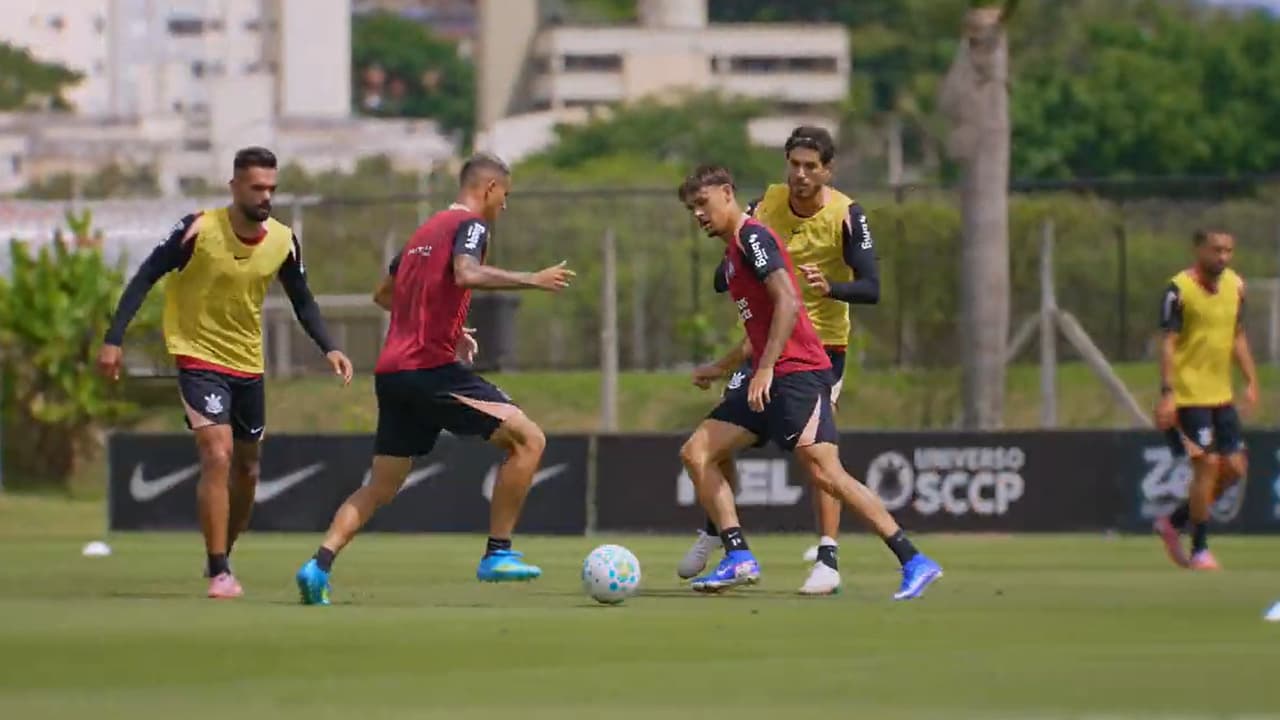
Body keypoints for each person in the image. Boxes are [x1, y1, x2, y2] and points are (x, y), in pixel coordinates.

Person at [295, 153, 575, 606]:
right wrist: (533, 279)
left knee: (380, 486)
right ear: (488, 189)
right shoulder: (473, 226)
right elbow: (465, 273)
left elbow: (383, 294)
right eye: (505, 195)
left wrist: (446, 326)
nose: (504, 206)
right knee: (529, 440)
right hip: (430, 370)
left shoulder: (423, 232)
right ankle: (497, 554)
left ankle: (318, 565)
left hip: (392, 374)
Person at [675, 164, 942, 600]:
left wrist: (764, 369)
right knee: (698, 451)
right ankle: (737, 554)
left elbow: (788, 301)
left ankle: (913, 559)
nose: (698, 215)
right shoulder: (733, 252)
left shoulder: (754, 238)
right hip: (768, 374)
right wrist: (721, 368)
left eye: (702, 204)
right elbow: (758, 329)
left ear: (727, 193)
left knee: (826, 473)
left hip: (797, 373)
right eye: (691, 209)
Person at [98, 146, 354, 599]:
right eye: (257, 188)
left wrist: (330, 347)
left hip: (248, 364)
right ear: (234, 186)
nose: (265, 197)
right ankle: (219, 570)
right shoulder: (198, 229)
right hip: (197, 355)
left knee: (248, 469)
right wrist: (114, 338)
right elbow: (144, 276)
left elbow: (302, 299)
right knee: (216, 454)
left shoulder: (282, 240)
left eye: (272, 188)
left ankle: (223, 555)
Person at [678, 126, 879, 595]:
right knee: (713, 438)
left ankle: (827, 556)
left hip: (820, 350)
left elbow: (872, 288)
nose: (800, 175)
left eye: (811, 166)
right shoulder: (764, 204)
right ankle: (724, 538)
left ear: (828, 170)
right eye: (794, 164)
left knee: (817, 460)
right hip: (765, 345)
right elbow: (721, 275)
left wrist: (830, 287)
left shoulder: (847, 213)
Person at [1153, 229, 1258, 570]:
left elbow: (1237, 336)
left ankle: (1175, 521)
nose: (1223, 257)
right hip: (1187, 396)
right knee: (1208, 465)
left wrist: (1251, 380)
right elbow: (1168, 342)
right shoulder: (1178, 290)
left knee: (1235, 469)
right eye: (1216, 250)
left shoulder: (1236, 287)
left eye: (1228, 250)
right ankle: (1200, 548)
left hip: (1221, 396)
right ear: (1199, 249)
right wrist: (1167, 393)